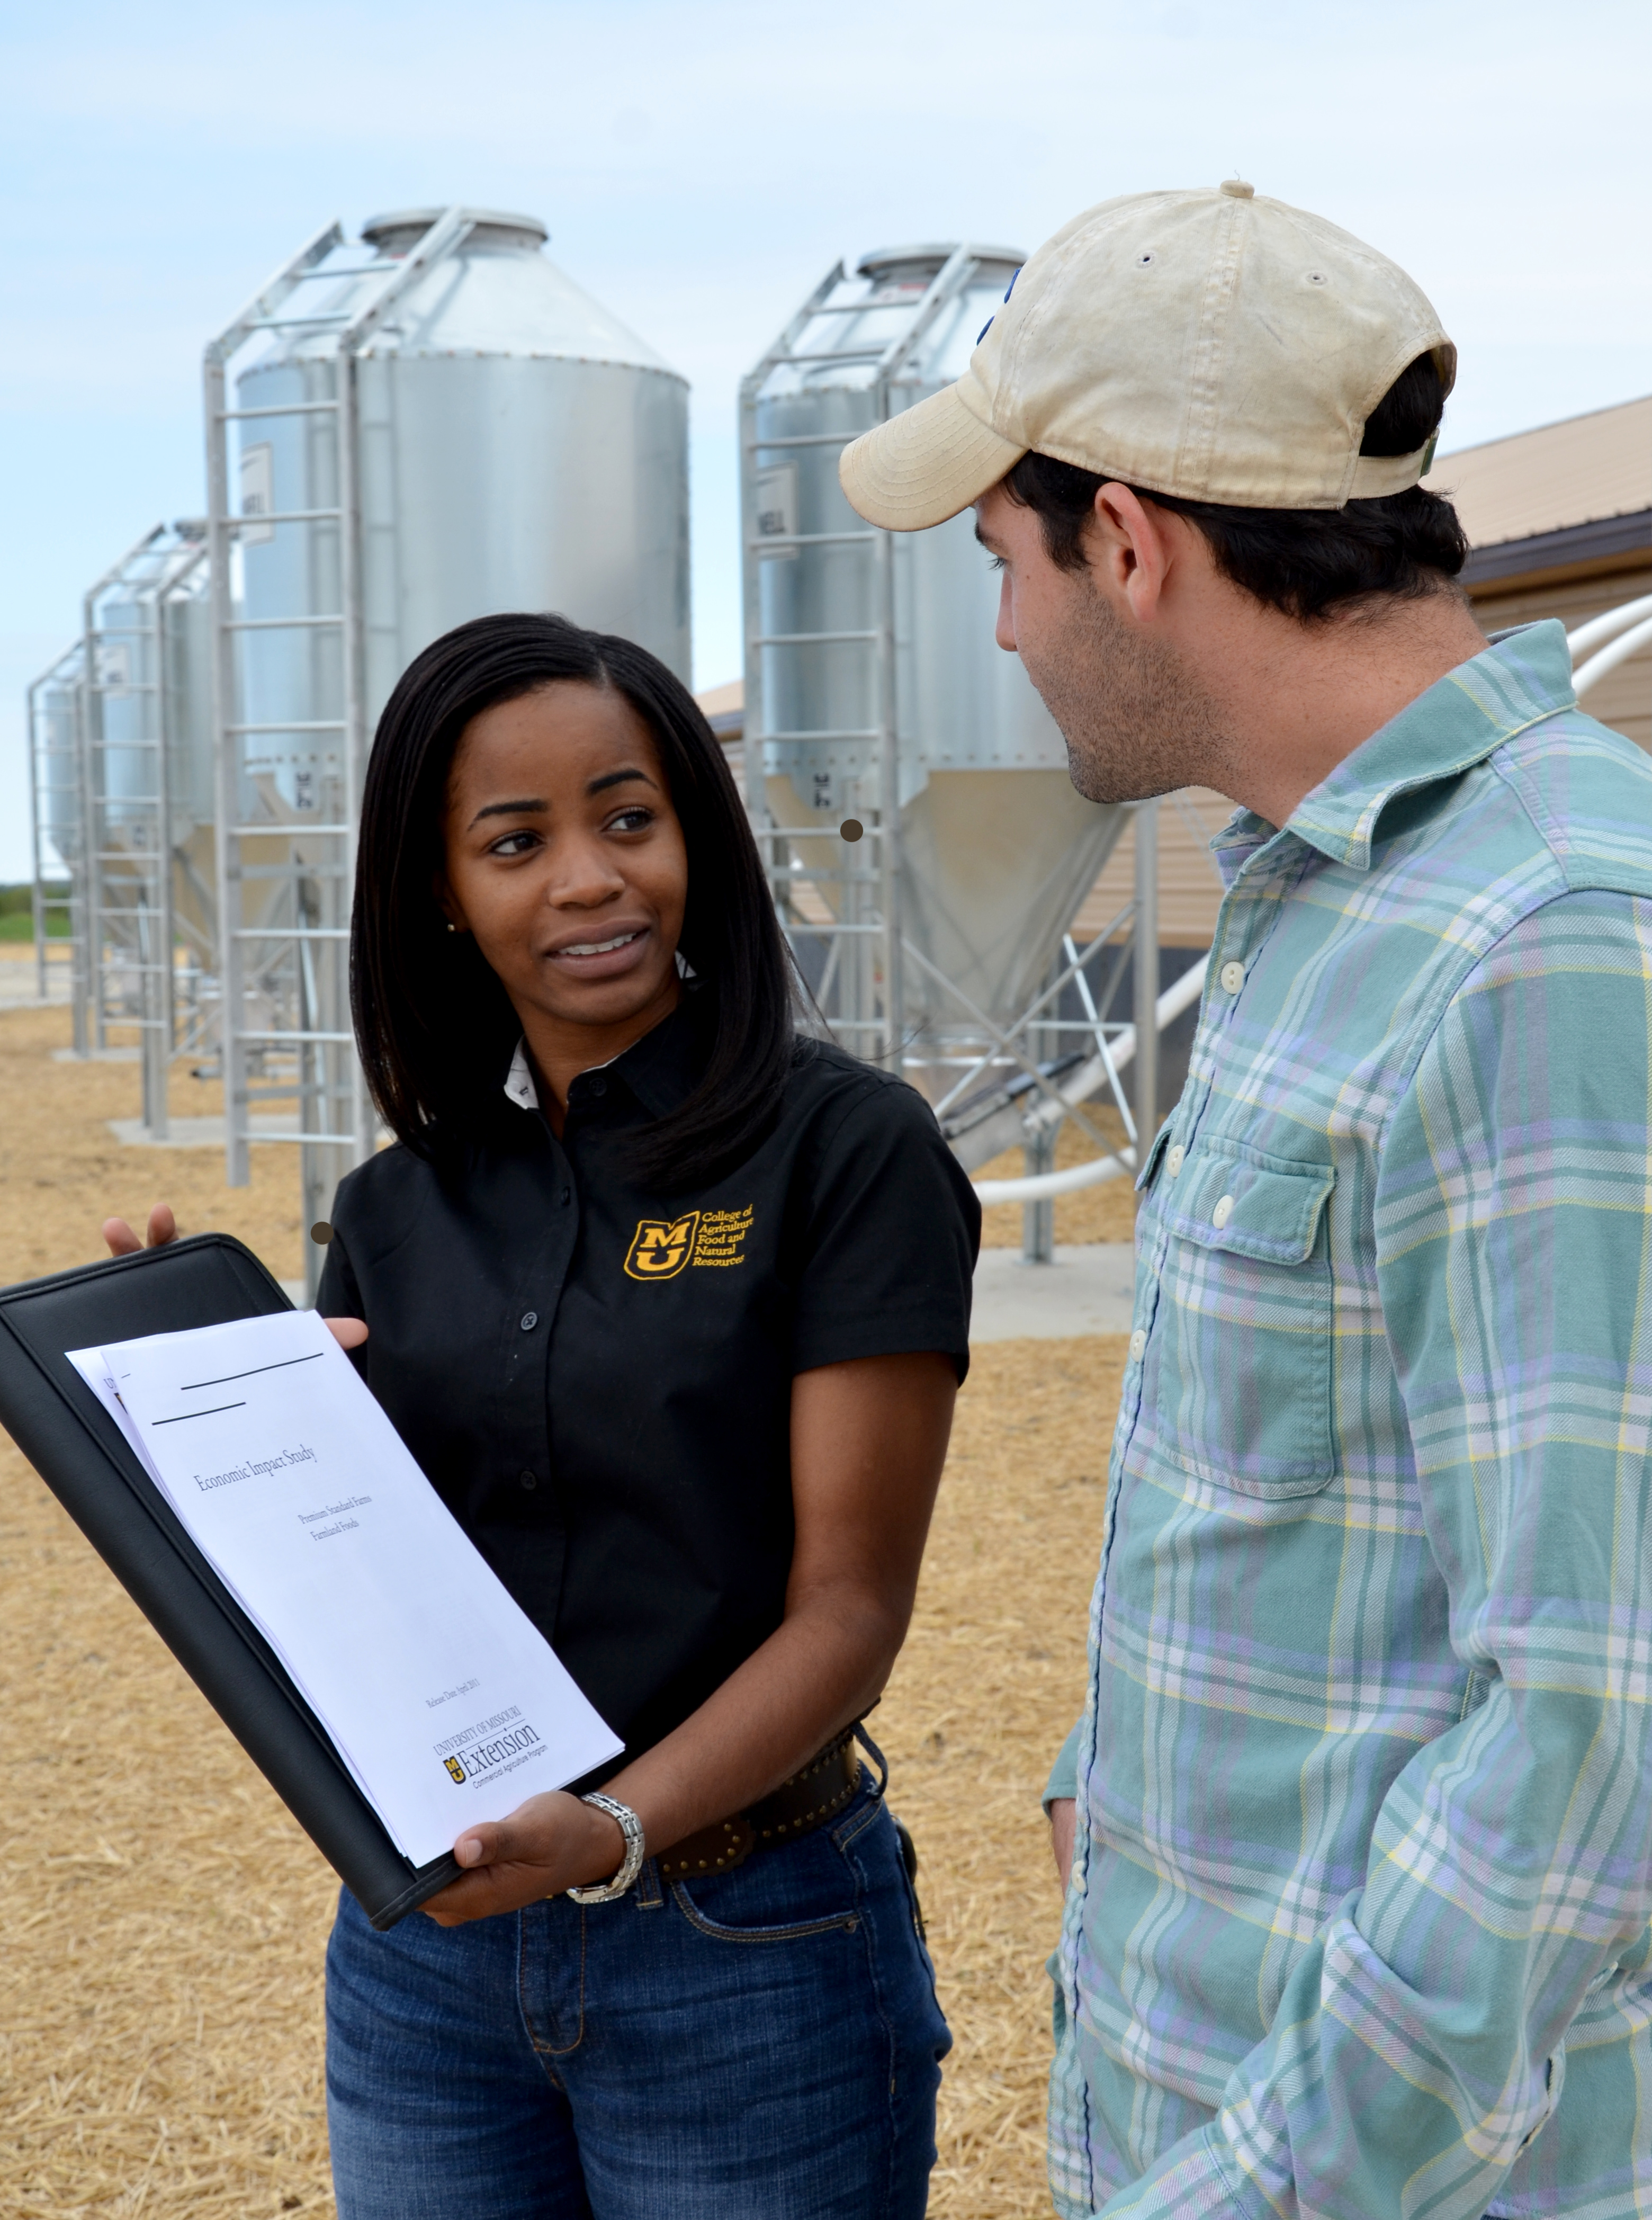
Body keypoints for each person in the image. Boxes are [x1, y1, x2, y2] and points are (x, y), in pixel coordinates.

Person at [839, 182, 1652, 2219]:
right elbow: (1322, 1489)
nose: (1008, 624)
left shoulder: (1543, 939)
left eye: (1003, 560)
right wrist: (1097, 1792)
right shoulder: (1337, 894)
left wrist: (1259, 2191)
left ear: (1128, 542)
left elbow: (1596, 1729)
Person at [104, 611, 980, 2219]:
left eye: (627, 819)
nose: (588, 878)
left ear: (692, 841)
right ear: (444, 893)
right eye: (517, 842)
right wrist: (191, 1397)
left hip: (749, 1951)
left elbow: (852, 1608)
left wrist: (619, 1828)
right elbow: (347, 1583)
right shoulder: (395, 1205)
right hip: (426, 1970)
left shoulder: (846, 1152)